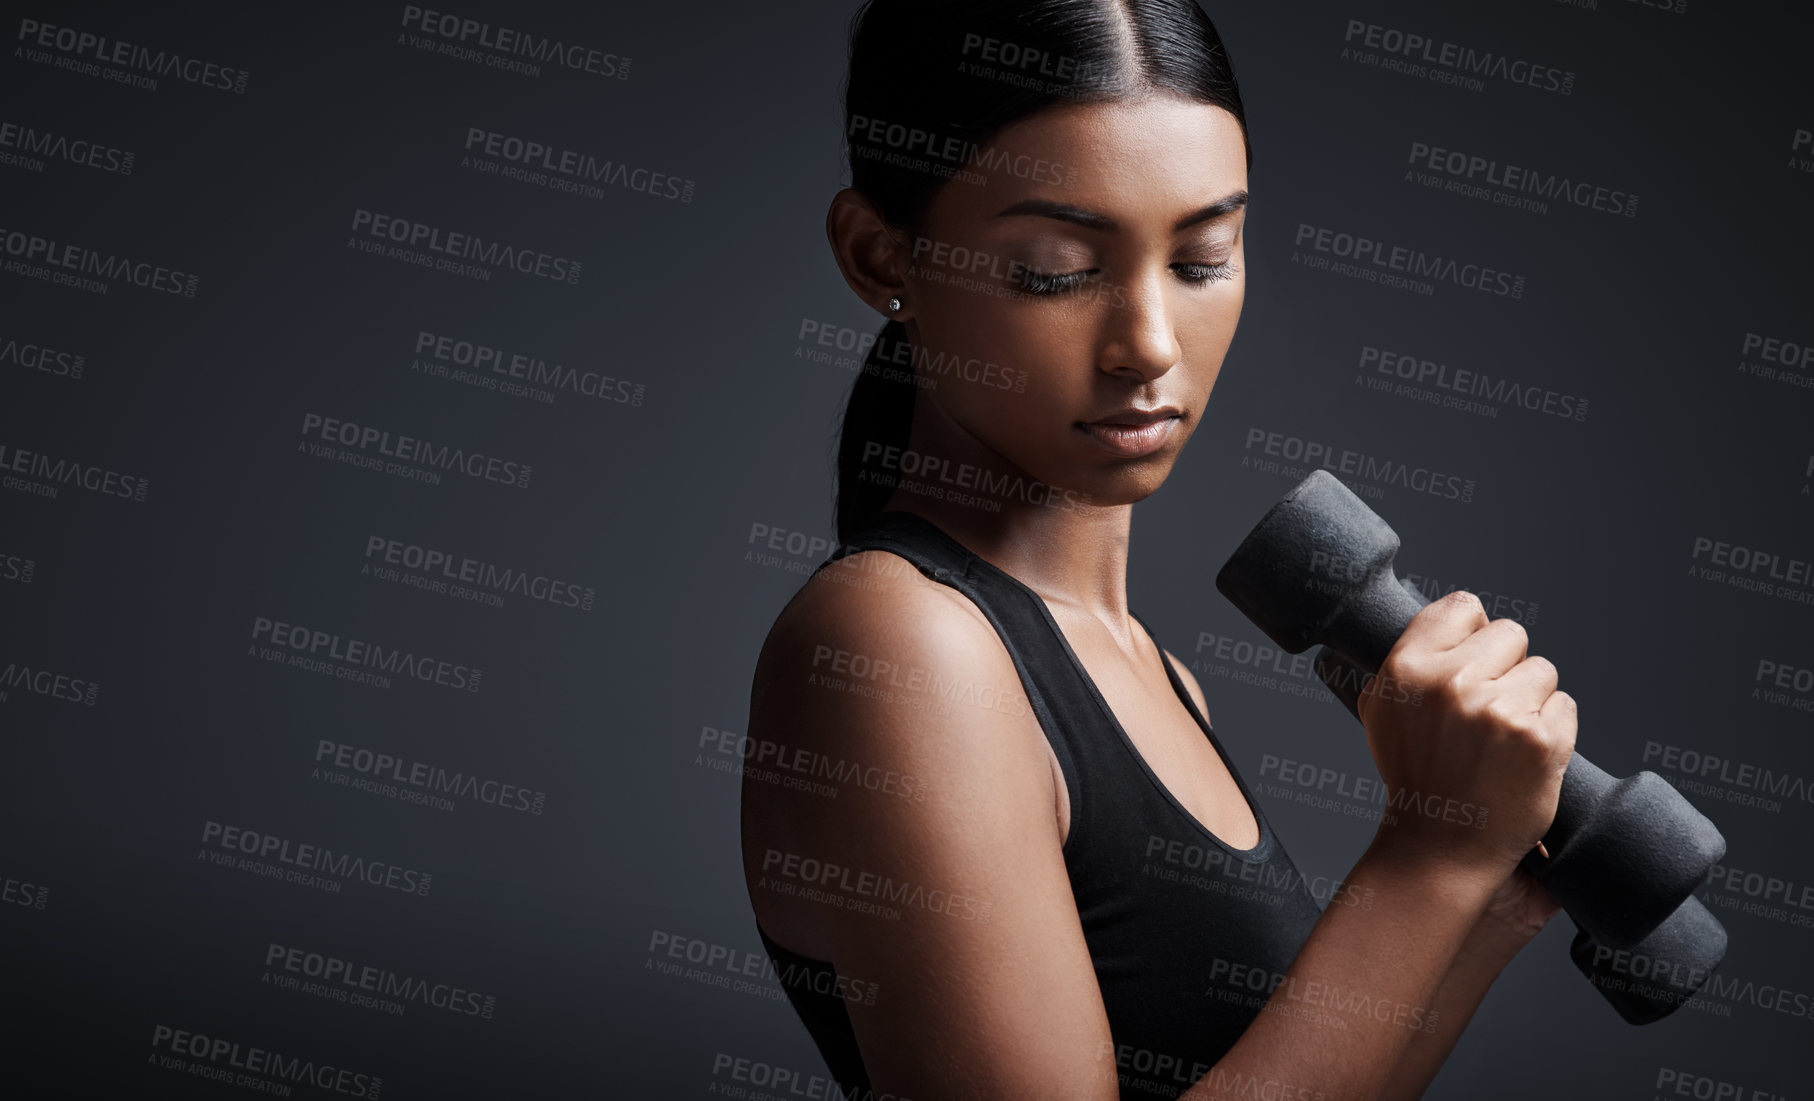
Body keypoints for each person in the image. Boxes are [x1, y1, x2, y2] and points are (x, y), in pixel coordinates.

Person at [740, 2, 1577, 1097]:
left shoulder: (1153, 672)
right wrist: (1427, 858)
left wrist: (1491, 888)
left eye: (1200, 257)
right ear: (879, 255)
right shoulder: (901, 648)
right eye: (1052, 269)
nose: (1146, 343)